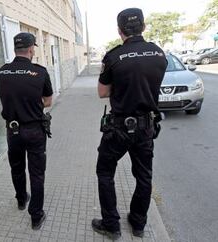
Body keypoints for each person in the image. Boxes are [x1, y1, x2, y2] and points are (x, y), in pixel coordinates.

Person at [92, 8, 168, 240]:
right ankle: (138, 224)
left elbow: (102, 93)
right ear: (143, 27)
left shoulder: (113, 57)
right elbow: (151, 84)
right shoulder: (158, 53)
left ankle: (111, 226)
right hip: (145, 127)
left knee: (105, 172)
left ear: (119, 30)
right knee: (144, 176)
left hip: (118, 128)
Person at [0, 32, 53, 230]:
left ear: (15, 49)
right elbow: (47, 101)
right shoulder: (40, 72)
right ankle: (36, 216)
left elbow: (8, 97)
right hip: (35, 129)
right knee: (36, 173)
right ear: (31, 49)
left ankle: (21, 199)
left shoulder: (2, 72)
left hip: (13, 131)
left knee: (17, 167)